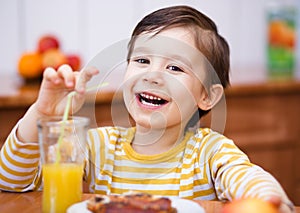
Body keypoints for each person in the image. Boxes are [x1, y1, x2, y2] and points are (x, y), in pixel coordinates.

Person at [0, 5, 294, 212]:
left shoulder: (211, 152)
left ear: (207, 96)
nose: (152, 75)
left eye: (175, 67)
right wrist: (42, 112)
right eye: (142, 61)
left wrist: (268, 198)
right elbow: (11, 182)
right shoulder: (98, 146)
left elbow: (246, 177)